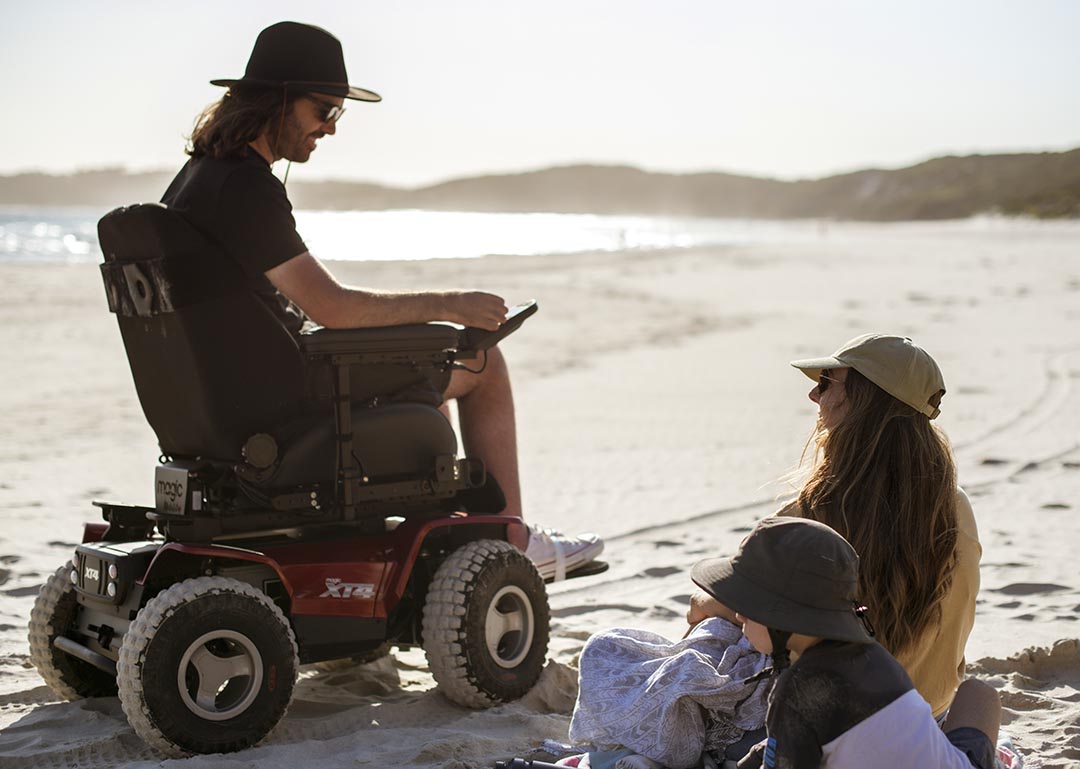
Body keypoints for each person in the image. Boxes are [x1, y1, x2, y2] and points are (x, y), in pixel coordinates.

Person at [159, 20, 602, 579]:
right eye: (323, 110)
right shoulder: (245, 188)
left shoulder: (194, 180)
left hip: (227, 399)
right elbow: (333, 308)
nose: (331, 128)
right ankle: (510, 536)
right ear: (277, 101)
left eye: (337, 114)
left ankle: (444, 531)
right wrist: (449, 303)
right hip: (283, 404)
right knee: (479, 362)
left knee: (420, 362)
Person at [688, 334, 979, 718]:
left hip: (836, 720)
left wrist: (705, 607)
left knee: (706, 627)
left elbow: (737, 605)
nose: (814, 396)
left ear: (863, 399)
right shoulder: (954, 506)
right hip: (929, 710)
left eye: (825, 382)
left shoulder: (814, 512)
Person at [691, 516, 1000, 769]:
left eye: (748, 606)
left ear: (783, 618)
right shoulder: (870, 654)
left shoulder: (797, 690)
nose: (737, 613)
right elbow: (776, 746)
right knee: (979, 693)